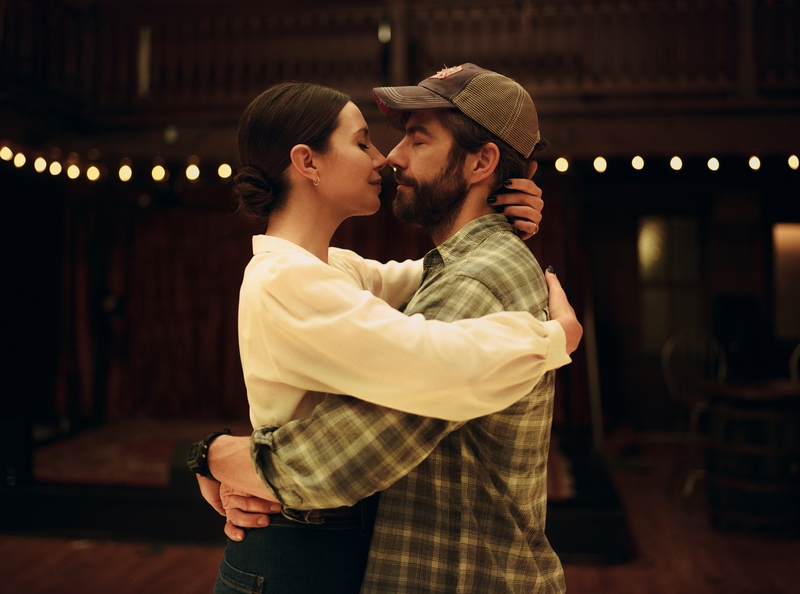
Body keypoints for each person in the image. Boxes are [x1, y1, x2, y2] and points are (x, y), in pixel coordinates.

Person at [202, 64, 579, 594]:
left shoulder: (335, 268)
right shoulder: (285, 279)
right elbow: (427, 359)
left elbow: (427, 279)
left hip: (338, 539)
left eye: (416, 139)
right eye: (364, 143)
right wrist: (554, 338)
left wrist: (502, 221)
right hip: (298, 540)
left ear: (482, 162)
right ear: (307, 163)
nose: (387, 158)